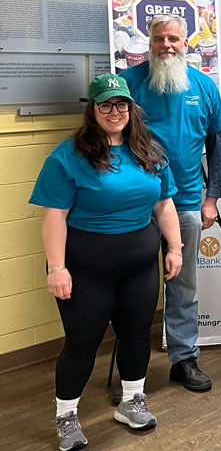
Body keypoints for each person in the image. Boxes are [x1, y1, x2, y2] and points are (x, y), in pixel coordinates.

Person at [29, 74, 182, 450]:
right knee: (82, 343)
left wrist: (175, 247)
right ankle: (66, 416)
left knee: (135, 333)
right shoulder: (69, 155)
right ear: (92, 109)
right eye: (105, 105)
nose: (115, 112)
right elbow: (54, 217)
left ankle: (131, 402)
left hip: (140, 266)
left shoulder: (150, 149)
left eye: (122, 104)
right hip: (86, 268)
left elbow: (164, 204)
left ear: (131, 108)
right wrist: (56, 267)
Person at [120, 14, 221, 392]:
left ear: (186, 44)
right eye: (159, 39)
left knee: (183, 285)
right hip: (134, 204)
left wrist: (212, 197)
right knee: (133, 286)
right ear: (148, 43)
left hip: (185, 203)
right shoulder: (128, 84)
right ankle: (129, 368)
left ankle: (183, 359)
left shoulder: (203, 85)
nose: (167, 45)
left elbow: (220, 144)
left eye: (174, 39)